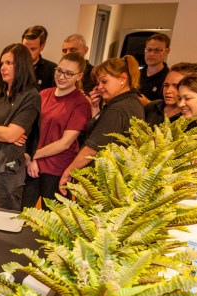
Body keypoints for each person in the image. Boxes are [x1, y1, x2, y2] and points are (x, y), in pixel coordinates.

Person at [59, 55, 145, 193]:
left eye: (104, 81)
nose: (100, 87)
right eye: (98, 83)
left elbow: (92, 148)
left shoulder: (118, 109)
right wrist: (95, 107)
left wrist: (68, 172)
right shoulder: (131, 103)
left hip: (104, 185)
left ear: (123, 78)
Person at [23, 53, 91, 209]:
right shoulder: (43, 94)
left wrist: (34, 155)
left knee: (52, 222)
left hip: (57, 170)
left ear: (79, 76)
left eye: (69, 73)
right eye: (59, 71)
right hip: (33, 166)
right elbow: (31, 131)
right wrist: (31, 159)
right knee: (23, 215)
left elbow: (65, 143)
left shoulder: (80, 103)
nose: (61, 76)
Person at [0, 43, 41, 211]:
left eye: (9, 63)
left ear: (22, 65)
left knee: (5, 218)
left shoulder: (30, 96)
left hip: (8, 168)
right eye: (2, 63)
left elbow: (11, 135)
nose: (3, 68)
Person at [144, 63, 197, 127]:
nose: (168, 91)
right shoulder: (152, 107)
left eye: (176, 86)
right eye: (166, 85)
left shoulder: (193, 114)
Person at [138, 33, 171, 105]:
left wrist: (149, 104)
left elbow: (169, 108)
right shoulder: (136, 74)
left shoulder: (168, 79)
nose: (151, 54)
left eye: (157, 50)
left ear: (167, 52)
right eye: (149, 49)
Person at [22, 25, 57, 91]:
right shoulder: (9, 65)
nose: (27, 53)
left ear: (42, 46)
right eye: (25, 48)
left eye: (33, 49)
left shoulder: (52, 70)